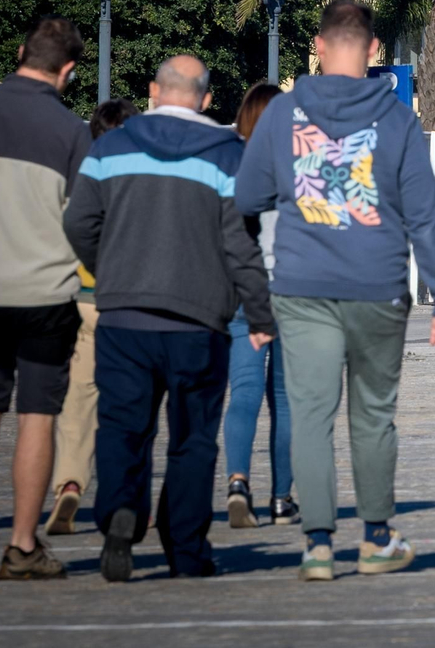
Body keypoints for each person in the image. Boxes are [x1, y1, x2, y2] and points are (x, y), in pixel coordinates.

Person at [236, 0, 435, 582]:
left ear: (317, 45)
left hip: (302, 287)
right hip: (377, 286)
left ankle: (315, 545)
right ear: (374, 51)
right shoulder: (396, 121)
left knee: (310, 415)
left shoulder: (283, 116)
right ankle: (377, 537)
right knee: (373, 416)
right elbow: (426, 216)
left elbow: (245, 201)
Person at [63, 55, 274, 582]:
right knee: (193, 438)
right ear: (205, 99)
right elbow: (241, 246)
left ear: (155, 90)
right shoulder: (230, 156)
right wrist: (260, 308)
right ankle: (186, 548)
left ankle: (118, 512)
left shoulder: (109, 148)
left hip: (123, 318)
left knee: (122, 425)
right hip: (199, 322)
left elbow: (78, 221)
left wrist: (108, 268)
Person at [0, 16, 88, 578]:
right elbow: (85, 219)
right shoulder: (70, 132)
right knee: (38, 415)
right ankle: (20, 544)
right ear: (67, 71)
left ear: (19, 52)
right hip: (43, 293)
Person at [46, 98, 138, 537]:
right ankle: (127, 497)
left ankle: (69, 481)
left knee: (77, 399)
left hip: (84, 296)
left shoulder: (84, 174)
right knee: (129, 404)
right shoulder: (143, 176)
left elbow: (71, 228)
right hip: (129, 300)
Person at [223, 83, 297, 528]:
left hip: (243, 292)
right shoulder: (297, 167)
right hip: (291, 292)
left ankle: (237, 482)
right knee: (286, 402)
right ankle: (282, 499)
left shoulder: (233, 164)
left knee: (244, 392)